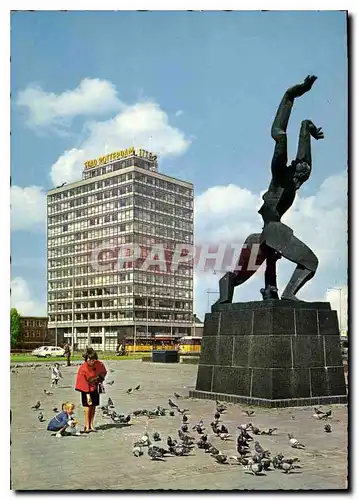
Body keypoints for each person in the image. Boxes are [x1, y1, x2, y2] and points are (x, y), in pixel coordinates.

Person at [214, 75, 324, 305]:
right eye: (299, 169)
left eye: (303, 172)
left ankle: (233, 292)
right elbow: (279, 131)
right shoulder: (280, 176)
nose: (303, 173)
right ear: (292, 168)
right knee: (310, 262)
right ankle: (288, 294)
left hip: (264, 235)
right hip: (273, 232)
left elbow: (305, 158)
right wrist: (292, 95)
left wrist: (308, 130)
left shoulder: (294, 182)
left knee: (241, 275)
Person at [75, 348, 107, 433]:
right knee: (87, 407)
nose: (92, 362)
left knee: (93, 407)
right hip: (86, 389)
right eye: (89, 360)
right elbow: (82, 382)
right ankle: (87, 425)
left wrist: (98, 379)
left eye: (93, 360)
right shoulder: (83, 368)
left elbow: (103, 372)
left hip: (95, 387)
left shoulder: (99, 364)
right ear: (86, 359)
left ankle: (91, 424)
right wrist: (87, 394)